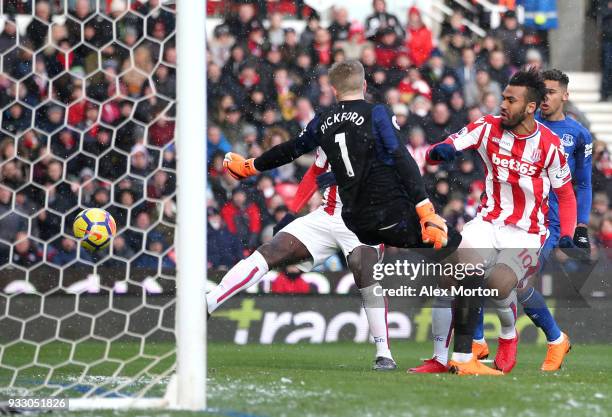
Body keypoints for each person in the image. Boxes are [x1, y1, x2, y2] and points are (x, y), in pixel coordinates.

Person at [222, 59, 487, 374]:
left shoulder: (323, 120)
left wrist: (251, 166)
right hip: (390, 213)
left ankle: (433, 359)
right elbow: (401, 157)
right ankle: (458, 358)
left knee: (436, 268)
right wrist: (425, 208)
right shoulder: (376, 113)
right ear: (363, 85)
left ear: (333, 90)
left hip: (355, 220)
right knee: (468, 267)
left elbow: (291, 150)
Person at [411, 69, 580, 375]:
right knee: (451, 276)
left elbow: (566, 197)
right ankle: (440, 358)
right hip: (488, 221)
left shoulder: (550, 144)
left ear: (530, 107)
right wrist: (441, 152)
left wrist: (567, 234)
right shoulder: (487, 126)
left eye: (510, 100)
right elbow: (444, 147)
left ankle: (507, 336)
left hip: (527, 230)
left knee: (499, 286)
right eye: (502, 97)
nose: (503, 104)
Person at [207, 147, 397, 371]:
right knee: (271, 249)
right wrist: (291, 211)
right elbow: (311, 168)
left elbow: (388, 172)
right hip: (327, 214)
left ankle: (384, 353)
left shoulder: (375, 123)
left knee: (363, 269)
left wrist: (344, 175)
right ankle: (208, 303)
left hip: (364, 220)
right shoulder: (327, 123)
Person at [470, 69, 592, 371]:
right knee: (476, 270)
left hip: (545, 224)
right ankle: (477, 343)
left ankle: (553, 339)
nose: (545, 98)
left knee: (516, 281)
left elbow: (583, 184)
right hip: (506, 217)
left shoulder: (577, 134)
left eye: (551, 92)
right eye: (542, 92)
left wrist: (580, 225)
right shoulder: (520, 126)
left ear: (564, 95)